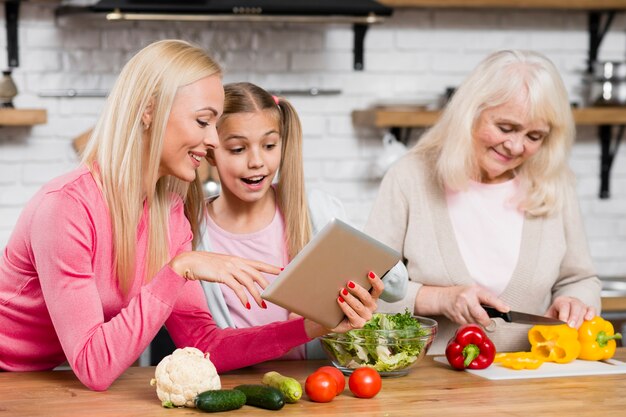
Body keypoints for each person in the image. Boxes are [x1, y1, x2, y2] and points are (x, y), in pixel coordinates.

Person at [0, 40, 384, 390]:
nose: (214, 140)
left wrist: (314, 325)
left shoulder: (169, 214)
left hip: (44, 380)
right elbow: (94, 366)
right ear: (149, 111)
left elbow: (204, 344)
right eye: (203, 122)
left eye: (216, 125)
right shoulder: (67, 208)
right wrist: (178, 268)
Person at [364, 49, 601, 354]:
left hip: (532, 379)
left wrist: (575, 301)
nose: (516, 146)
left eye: (534, 136)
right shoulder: (409, 178)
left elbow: (580, 279)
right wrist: (440, 298)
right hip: (431, 383)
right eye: (505, 128)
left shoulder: (554, 183)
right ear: (470, 112)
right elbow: (366, 287)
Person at [184, 82, 407, 359]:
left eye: (269, 145)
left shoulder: (315, 209)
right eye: (238, 149)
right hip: (234, 388)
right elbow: (205, 343)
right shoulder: (191, 229)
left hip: (312, 388)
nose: (257, 161)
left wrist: (364, 281)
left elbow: (398, 287)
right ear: (211, 151)